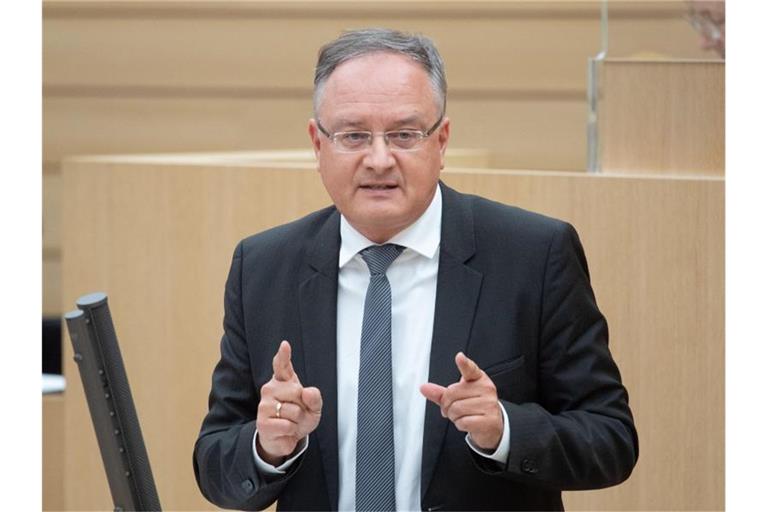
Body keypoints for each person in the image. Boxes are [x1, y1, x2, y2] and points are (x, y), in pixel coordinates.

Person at [193, 28, 638, 511]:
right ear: (317, 145)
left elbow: (611, 439)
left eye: (404, 135)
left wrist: (504, 429)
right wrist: (268, 446)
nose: (379, 159)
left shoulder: (534, 255)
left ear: (441, 141)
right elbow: (215, 461)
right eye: (353, 136)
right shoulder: (262, 266)